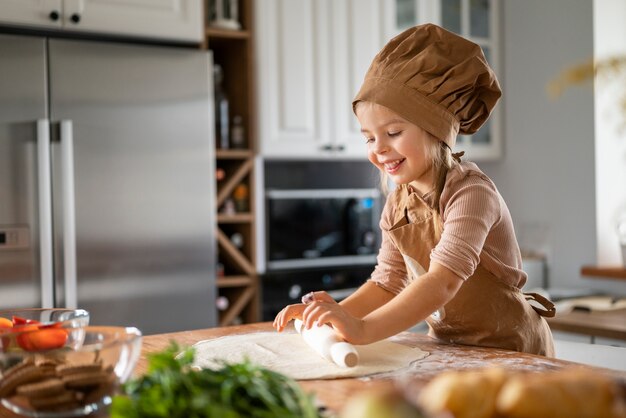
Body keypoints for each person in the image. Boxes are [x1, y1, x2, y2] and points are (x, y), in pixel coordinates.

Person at [273, 24, 555, 356]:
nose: (378, 148)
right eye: (368, 137)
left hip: (513, 354)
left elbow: (443, 281)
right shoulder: (398, 204)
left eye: (393, 132)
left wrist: (362, 330)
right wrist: (332, 316)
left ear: (434, 131)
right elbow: (387, 283)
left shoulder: (472, 194)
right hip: (454, 352)